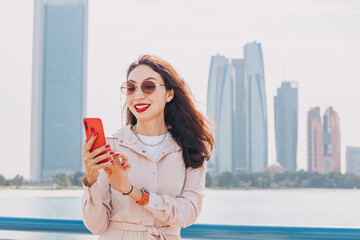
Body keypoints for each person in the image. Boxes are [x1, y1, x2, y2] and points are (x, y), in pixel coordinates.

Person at [81, 55, 214, 240]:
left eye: (149, 86)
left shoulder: (190, 149)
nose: (138, 95)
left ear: (169, 93)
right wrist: (91, 179)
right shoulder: (111, 147)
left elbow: (188, 213)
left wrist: (133, 192)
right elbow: (96, 225)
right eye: (130, 88)